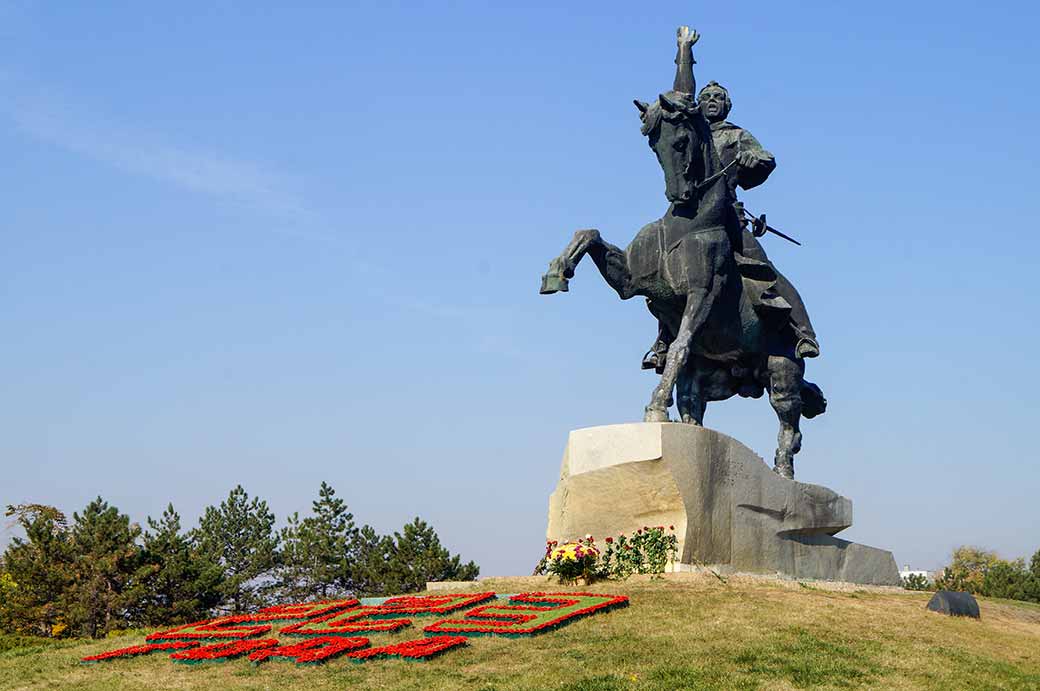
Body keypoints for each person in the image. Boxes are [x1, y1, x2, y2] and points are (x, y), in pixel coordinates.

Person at [641, 78, 820, 372]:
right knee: (664, 275)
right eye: (707, 96)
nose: (712, 100)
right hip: (686, 214)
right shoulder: (688, 130)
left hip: (725, 217)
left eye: (718, 97)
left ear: (727, 105)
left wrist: (754, 159)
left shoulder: (736, 135)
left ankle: (803, 333)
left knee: (766, 270)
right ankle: (662, 342)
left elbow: (766, 159)